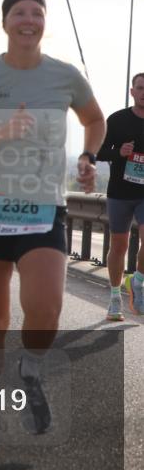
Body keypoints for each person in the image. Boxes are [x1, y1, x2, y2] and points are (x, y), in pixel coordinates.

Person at [0, 0, 105, 447]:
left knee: (45, 309)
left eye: (36, 13)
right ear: (5, 22)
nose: (29, 19)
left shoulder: (64, 75)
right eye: (19, 12)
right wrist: (1, 130)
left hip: (42, 206)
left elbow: (93, 119)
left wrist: (89, 157)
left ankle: (31, 367)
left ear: (43, 22)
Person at [97, 72, 144, 319]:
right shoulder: (117, 120)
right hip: (120, 193)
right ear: (132, 92)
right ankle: (115, 297)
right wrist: (119, 153)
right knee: (119, 246)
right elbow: (98, 151)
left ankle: (137, 281)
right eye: (140, 88)